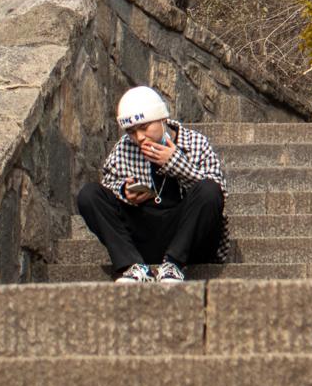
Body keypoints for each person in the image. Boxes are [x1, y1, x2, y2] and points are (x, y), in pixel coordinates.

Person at [75, 85, 230, 283]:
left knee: (208, 189)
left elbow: (219, 195)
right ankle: (133, 266)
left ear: (162, 119)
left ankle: (173, 265)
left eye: (144, 127)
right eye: (131, 131)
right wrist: (124, 191)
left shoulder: (195, 142)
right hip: (145, 234)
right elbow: (108, 183)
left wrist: (176, 163)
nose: (139, 137)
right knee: (89, 195)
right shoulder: (124, 147)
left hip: (189, 238)